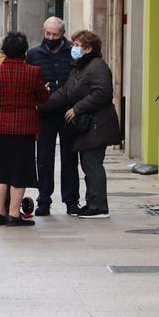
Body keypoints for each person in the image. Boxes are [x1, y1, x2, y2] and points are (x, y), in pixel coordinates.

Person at [38, 30, 122, 219]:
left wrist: (77, 109)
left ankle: (99, 206)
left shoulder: (97, 66)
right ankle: (92, 203)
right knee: (88, 164)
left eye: (77, 45)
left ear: (88, 48)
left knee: (92, 164)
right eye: (74, 44)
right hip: (88, 126)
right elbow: (65, 93)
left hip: (97, 125)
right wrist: (40, 106)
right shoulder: (80, 67)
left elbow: (103, 92)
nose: (73, 48)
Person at [0, 32, 50, 227]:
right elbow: (43, 98)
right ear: (24, 50)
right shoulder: (33, 72)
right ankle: (14, 214)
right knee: (20, 170)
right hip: (25, 128)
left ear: (4, 51)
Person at [26, 16, 79, 216]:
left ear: (62, 34)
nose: (51, 37)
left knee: (70, 158)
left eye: (55, 34)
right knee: (44, 159)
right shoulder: (33, 54)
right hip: (44, 114)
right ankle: (44, 200)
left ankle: (71, 200)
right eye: (48, 33)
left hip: (68, 113)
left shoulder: (73, 53)